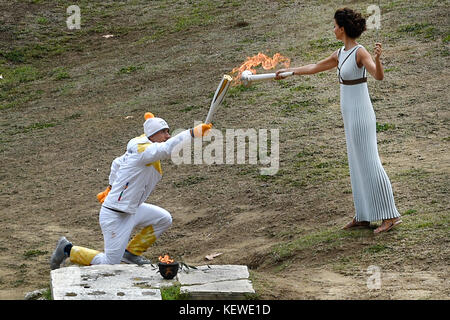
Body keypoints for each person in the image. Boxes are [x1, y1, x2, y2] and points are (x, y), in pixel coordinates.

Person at [275, 7, 402, 234]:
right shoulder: (340, 54)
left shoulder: (360, 52)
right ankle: (363, 216)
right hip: (349, 114)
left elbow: (378, 76)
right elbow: (315, 67)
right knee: (356, 163)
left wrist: (379, 59)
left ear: (342, 29)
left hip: (362, 114)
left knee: (370, 162)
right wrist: (290, 72)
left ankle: (391, 215)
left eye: (334, 26)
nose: (332, 29)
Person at [50, 112, 212, 269]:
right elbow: (166, 149)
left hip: (132, 208)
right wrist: (192, 133)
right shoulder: (143, 151)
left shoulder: (140, 147)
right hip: (115, 215)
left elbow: (116, 163)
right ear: (152, 134)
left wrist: (111, 187)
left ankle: (130, 253)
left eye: (168, 132)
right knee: (110, 263)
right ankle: (67, 250)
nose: (167, 136)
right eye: (164, 132)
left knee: (163, 219)